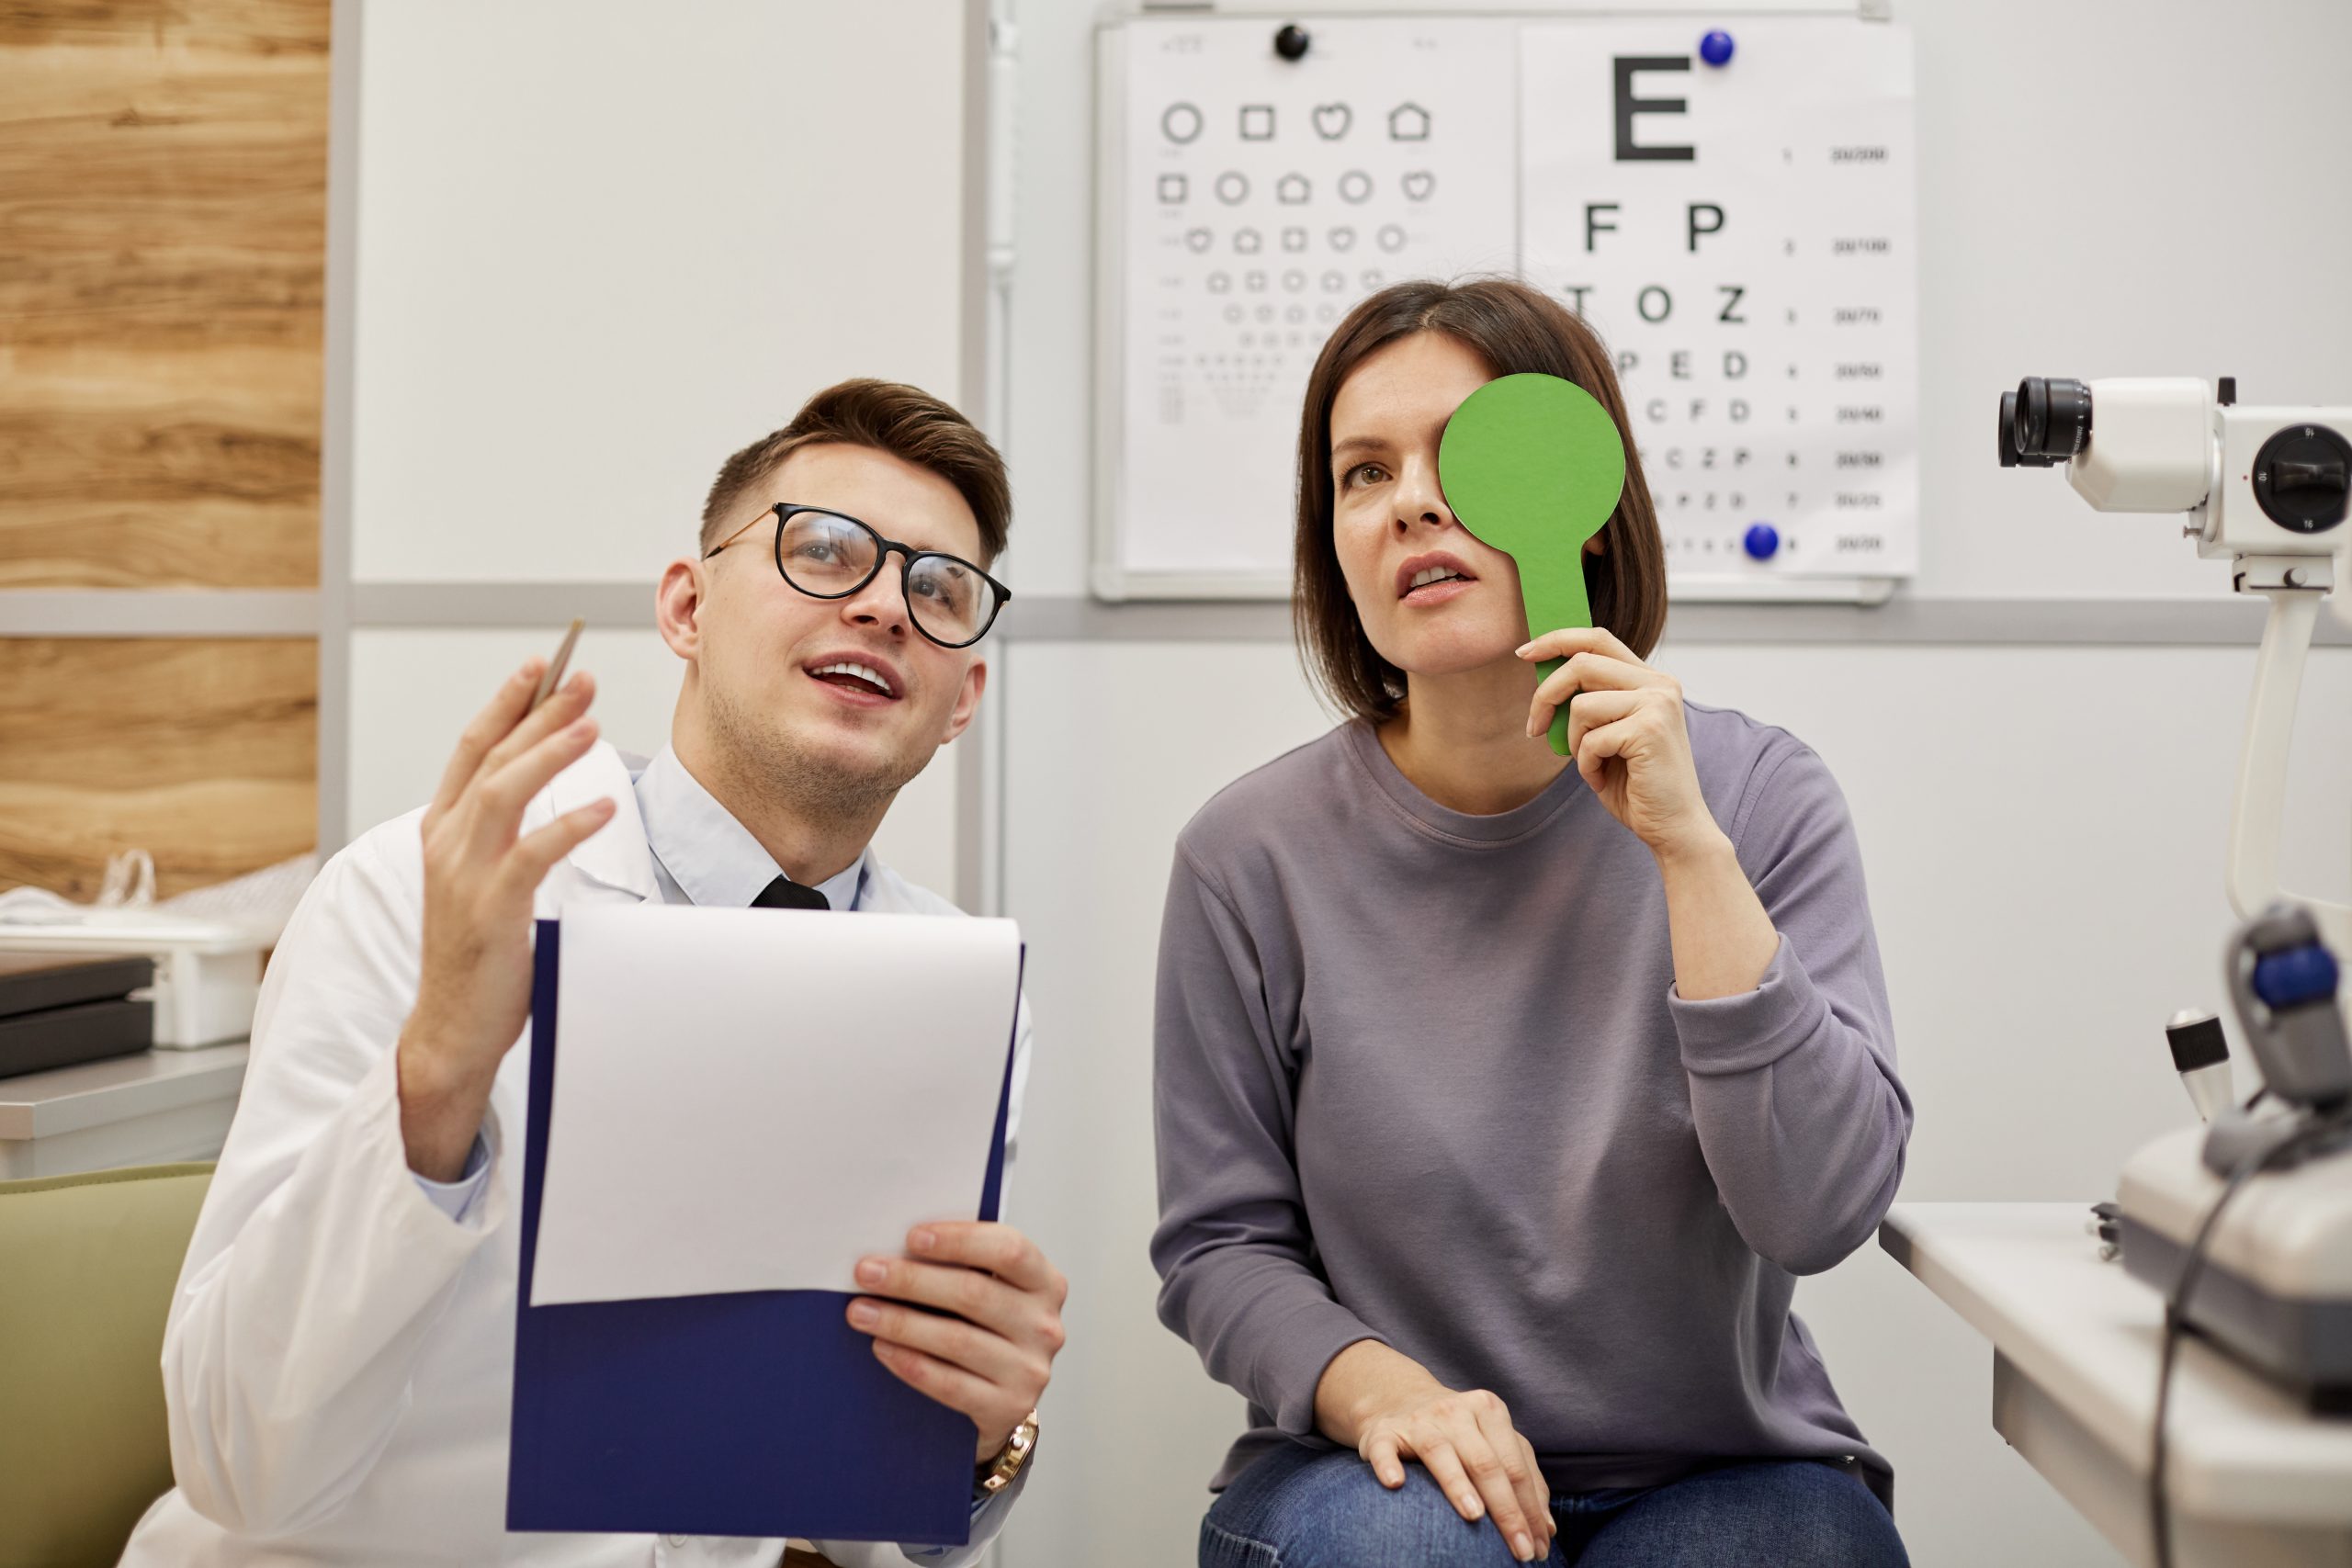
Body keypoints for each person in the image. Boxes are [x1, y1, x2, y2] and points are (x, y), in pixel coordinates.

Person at [121, 379, 1066, 1568]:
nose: (884, 604)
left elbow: (849, 1508)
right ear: (686, 606)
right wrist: (441, 1067)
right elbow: (239, 1465)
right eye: (823, 550)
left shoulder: (957, 991)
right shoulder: (411, 897)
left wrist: (980, 1443)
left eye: (939, 591)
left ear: (962, 700)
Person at [1150, 278, 1914, 1568]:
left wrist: (1689, 853)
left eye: (1463, 457)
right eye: (1362, 473)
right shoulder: (1248, 855)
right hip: (1370, 1469)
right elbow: (1220, 1248)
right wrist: (1379, 1389)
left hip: (1724, 1473)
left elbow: (1823, 1211)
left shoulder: (1761, 800)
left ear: (1587, 513)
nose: (1411, 502)